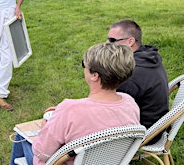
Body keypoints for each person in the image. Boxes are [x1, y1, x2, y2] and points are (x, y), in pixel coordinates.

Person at [10, 43, 140, 165]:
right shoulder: (129, 103)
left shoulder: (70, 110)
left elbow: (42, 153)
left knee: (21, 136)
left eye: (85, 64)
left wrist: (46, 126)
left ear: (95, 75)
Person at [107, 19, 168, 144]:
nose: (107, 44)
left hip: (143, 132)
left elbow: (113, 110)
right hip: (155, 124)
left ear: (130, 42)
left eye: (112, 40)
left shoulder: (132, 74)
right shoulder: (148, 57)